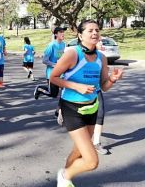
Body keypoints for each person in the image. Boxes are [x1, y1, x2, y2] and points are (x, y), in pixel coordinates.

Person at [50, 19, 123, 187]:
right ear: (80, 35)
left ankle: (64, 180)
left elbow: (104, 87)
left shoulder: (102, 58)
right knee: (91, 162)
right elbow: (53, 77)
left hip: (92, 108)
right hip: (71, 109)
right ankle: (64, 175)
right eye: (90, 30)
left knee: (78, 150)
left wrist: (112, 79)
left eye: (97, 30)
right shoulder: (72, 54)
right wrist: (76, 86)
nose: (94, 33)